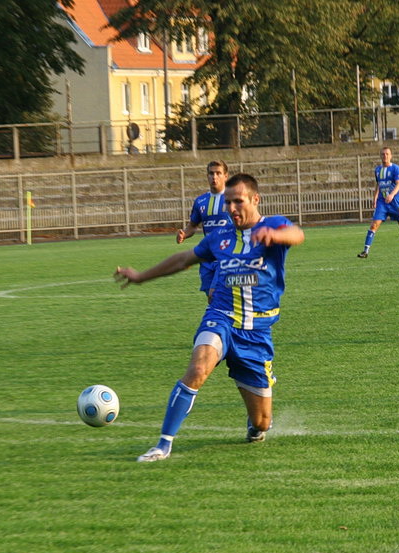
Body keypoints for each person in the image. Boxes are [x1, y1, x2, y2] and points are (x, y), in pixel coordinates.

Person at [114, 173, 305, 462]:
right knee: (199, 367)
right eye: (227, 202)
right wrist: (141, 276)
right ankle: (163, 444)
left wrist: (276, 236)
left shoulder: (273, 225)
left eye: (237, 201)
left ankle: (256, 419)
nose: (231, 208)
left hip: (257, 333)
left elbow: (297, 234)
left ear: (255, 199)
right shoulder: (219, 236)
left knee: (261, 424)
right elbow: (183, 259)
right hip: (222, 317)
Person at [176, 160, 230, 300]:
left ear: (226, 176)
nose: (214, 177)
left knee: (215, 293)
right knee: (210, 297)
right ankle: (220, 321)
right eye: (211, 173)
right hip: (207, 256)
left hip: (226, 255)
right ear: (207, 176)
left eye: (218, 173)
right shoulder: (201, 201)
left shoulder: (233, 199)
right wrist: (184, 234)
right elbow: (193, 226)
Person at [357, 147, 399, 258]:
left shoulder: (396, 168)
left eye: (387, 154)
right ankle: (365, 251)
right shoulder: (377, 170)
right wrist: (375, 198)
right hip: (382, 202)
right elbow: (379, 184)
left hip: (395, 201)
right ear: (380, 156)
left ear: (390, 156)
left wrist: (391, 195)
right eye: (383, 154)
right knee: (374, 225)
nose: (385, 156)